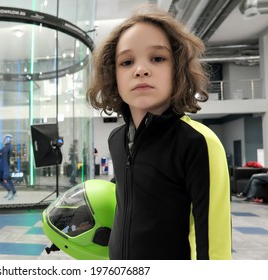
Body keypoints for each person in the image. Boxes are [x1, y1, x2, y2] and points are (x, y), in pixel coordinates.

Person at [86, 4, 231, 260]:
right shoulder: (116, 139)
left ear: (177, 69)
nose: (140, 69)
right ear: (113, 75)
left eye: (158, 58)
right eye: (127, 62)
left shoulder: (197, 142)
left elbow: (213, 239)